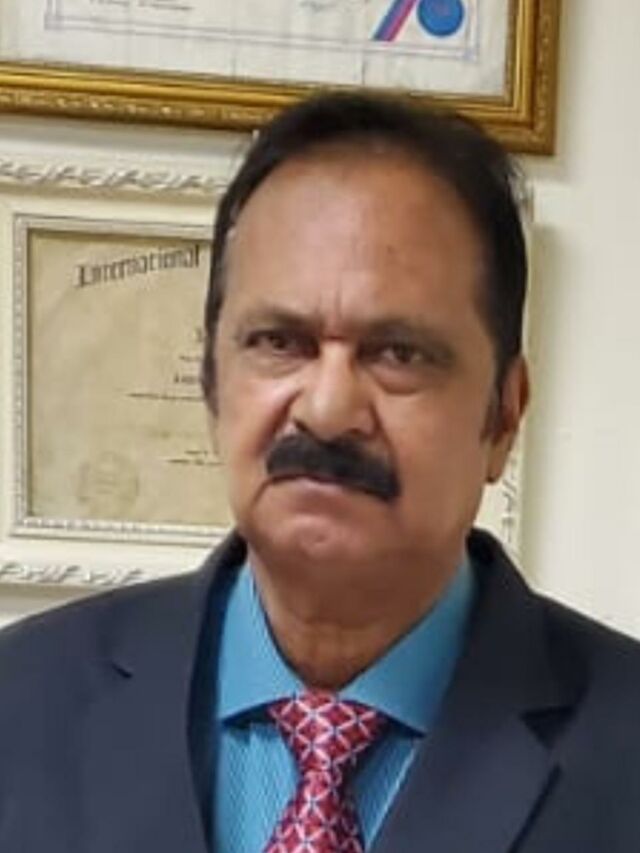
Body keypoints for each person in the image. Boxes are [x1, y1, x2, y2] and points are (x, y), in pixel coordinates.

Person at [0, 92, 639, 853]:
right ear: (212, 383)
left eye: (399, 353)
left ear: (503, 415)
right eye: (279, 341)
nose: (329, 410)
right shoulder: (20, 702)